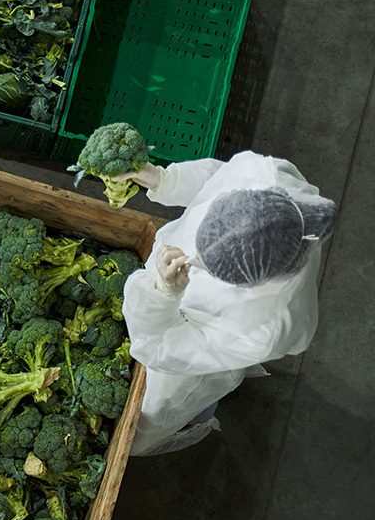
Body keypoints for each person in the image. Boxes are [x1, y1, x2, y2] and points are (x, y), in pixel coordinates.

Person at [114, 152, 337, 456]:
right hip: (178, 320)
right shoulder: (267, 175)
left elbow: (163, 348)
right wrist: (167, 180)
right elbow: (215, 178)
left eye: (208, 267)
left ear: (249, 282)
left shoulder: (265, 325)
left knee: (158, 412)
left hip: (194, 365)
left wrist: (162, 295)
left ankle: (197, 420)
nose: (193, 259)